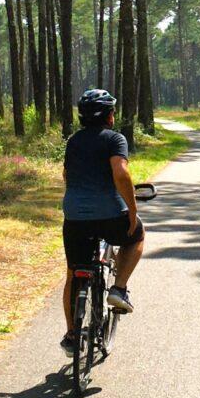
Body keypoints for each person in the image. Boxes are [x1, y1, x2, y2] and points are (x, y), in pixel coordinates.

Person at [60, 89, 144, 355]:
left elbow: (66, 174)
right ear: (109, 115)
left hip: (75, 218)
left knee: (74, 273)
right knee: (137, 236)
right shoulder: (114, 139)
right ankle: (118, 290)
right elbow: (121, 172)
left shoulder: (73, 142)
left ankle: (73, 335)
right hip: (110, 215)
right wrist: (131, 210)